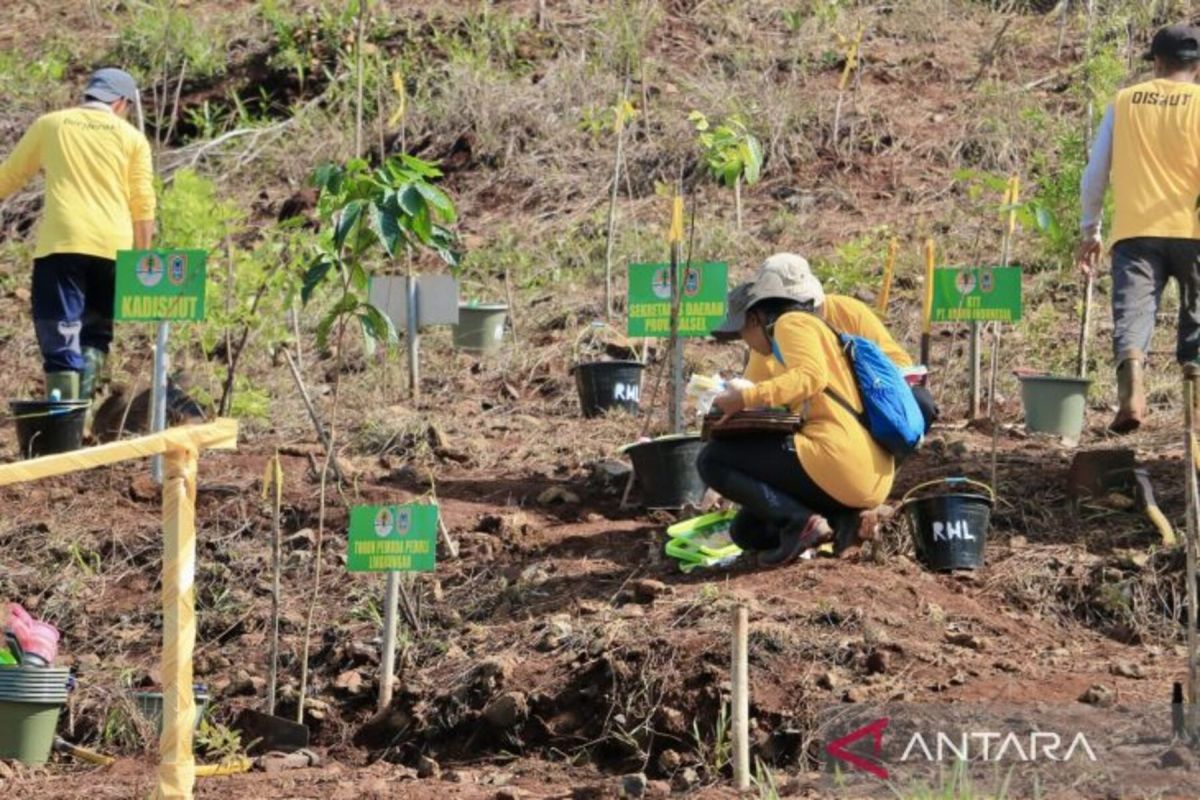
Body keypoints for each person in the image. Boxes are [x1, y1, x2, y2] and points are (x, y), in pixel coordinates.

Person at [697, 253, 924, 565]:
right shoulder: (807, 331)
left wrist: (746, 399)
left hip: (839, 459)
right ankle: (840, 519)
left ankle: (801, 524)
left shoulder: (792, 323)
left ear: (754, 319)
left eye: (742, 335)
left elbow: (809, 377)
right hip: (864, 476)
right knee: (747, 532)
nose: (746, 343)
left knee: (713, 458)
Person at [0, 68, 156, 403]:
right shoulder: (132, 139)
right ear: (120, 103)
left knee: (60, 336)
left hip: (63, 243)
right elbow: (143, 201)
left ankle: (63, 430)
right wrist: (142, 256)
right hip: (113, 247)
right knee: (95, 334)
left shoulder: (51, 125)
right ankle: (81, 415)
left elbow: (9, 177)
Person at [1078, 23, 1200, 433]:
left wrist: (1090, 229)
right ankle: (1194, 409)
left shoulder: (1125, 102)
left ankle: (1132, 396)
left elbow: (1095, 172)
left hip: (1135, 231)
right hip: (1194, 230)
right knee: (1197, 317)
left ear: (1158, 63)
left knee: (1131, 316)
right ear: (1196, 68)